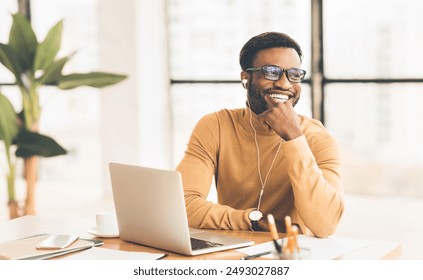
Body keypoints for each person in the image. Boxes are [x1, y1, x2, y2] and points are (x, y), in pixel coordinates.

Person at [176, 32, 344, 238]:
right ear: (245, 77)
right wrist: (254, 221)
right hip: (232, 250)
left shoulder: (319, 139)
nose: (284, 84)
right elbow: (181, 205)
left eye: (294, 74)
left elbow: (326, 225)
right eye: (271, 72)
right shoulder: (216, 126)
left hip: (292, 255)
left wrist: (294, 137)